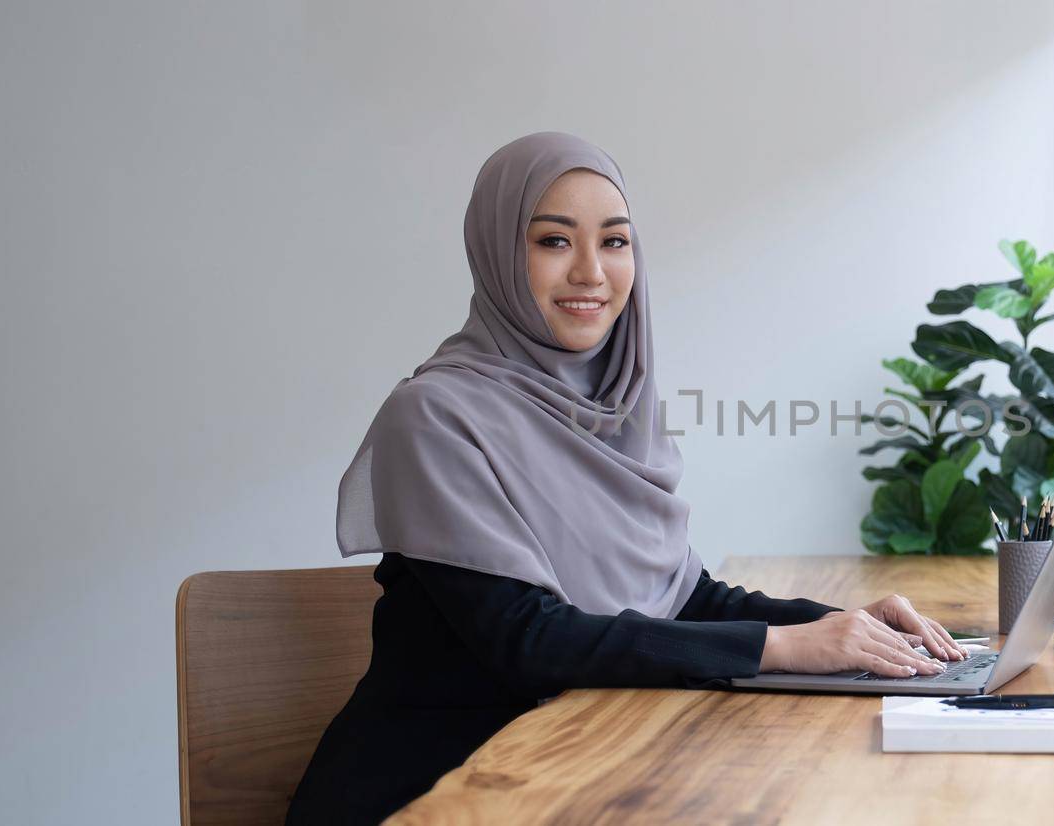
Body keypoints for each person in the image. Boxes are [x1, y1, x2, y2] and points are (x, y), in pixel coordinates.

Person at [285, 132, 967, 824]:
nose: (591, 272)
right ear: (496, 251)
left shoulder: (613, 408)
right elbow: (529, 638)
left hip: (584, 773)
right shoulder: (435, 415)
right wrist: (781, 647)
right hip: (437, 794)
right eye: (554, 241)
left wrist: (845, 630)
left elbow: (685, 597)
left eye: (614, 242)